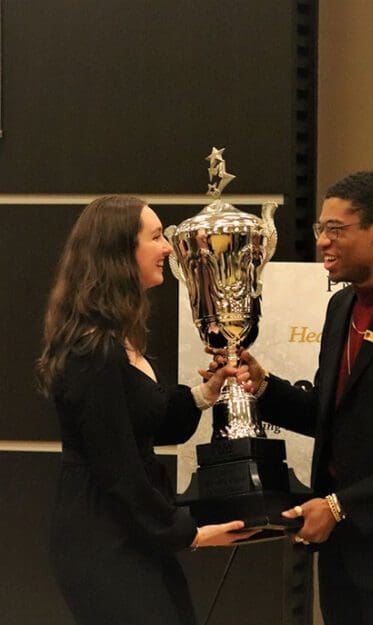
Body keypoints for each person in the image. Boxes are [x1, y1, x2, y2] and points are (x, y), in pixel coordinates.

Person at [229, 172, 373, 625]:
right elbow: (332, 414)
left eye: (336, 230)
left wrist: (340, 506)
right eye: (321, 229)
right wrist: (263, 386)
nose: (323, 242)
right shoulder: (342, 307)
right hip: (341, 554)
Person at [36, 195, 255, 625]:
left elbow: (151, 421)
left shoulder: (118, 336)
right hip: (102, 541)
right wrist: (188, 533)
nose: (170, 248)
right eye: (156, 237)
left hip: (133, 534)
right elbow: (118, 468)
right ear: (120, 253)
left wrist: (206, 392)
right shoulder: (93, 351)